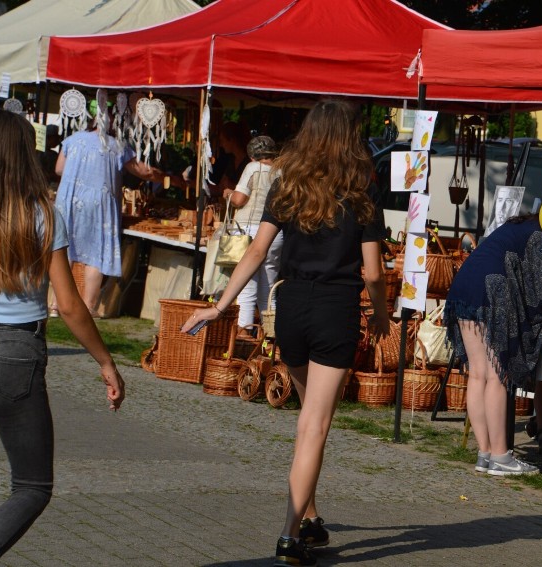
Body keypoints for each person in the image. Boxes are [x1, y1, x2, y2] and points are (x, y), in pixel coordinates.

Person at [181, 99, 389, 567]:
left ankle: (310, 519)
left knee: (312, 421)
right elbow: (374, 272)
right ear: (349, 140)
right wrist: (380, 314)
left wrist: (219, 306)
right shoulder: (361, 192)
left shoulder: (289, 186)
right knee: (314, 424)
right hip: (336, 309)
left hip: (289, 306)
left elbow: (256, 251)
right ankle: (289, 534)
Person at [0, 110, 125, 567]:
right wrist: (105, 361)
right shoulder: (39, 213)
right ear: (23, 156)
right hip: (14, 353)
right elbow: (72, 305)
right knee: (34, 486)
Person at [444, 215, 542, 476]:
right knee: (496, 376)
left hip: (464, 286)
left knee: (478, 374)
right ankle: (501, 456)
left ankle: (485, 453)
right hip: (492, 290)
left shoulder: (521, 225)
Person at [54, 104, 161, 317]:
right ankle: (88, 306)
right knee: (96, 253)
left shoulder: (73, 140)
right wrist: (168, 177)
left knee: (65, 249)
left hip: (70, 199)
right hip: (99, 203)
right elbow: (143, 172)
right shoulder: (116, 146)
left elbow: (58, 169)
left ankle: (58, 305)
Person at [221, 135, 283, 337]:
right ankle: (269, 336)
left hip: (252, 230)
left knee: (248, 284)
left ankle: (244, 334)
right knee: (269, 288)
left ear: (253, 155)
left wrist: (228, 193)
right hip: (276, 233)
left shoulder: (252, 168)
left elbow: (239, 199)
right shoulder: (282, 172)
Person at [207, 120, 251, 197]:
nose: (221, 145)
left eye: (222, 141)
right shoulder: (231, 160)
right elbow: (220, 188)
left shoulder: (249, 162)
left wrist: (232, 186)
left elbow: (251, 190)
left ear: (231, 140)